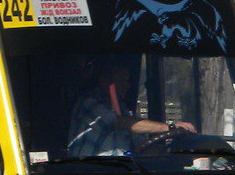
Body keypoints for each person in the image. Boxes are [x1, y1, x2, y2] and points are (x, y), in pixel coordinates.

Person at [67, 63, 195, 157]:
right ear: (105, 80)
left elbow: (141, 147)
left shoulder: (124, 110)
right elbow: (118, 122)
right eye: (123, 80)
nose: (128, 86)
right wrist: (170, 128)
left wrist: (170, 151)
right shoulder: (89, 102)